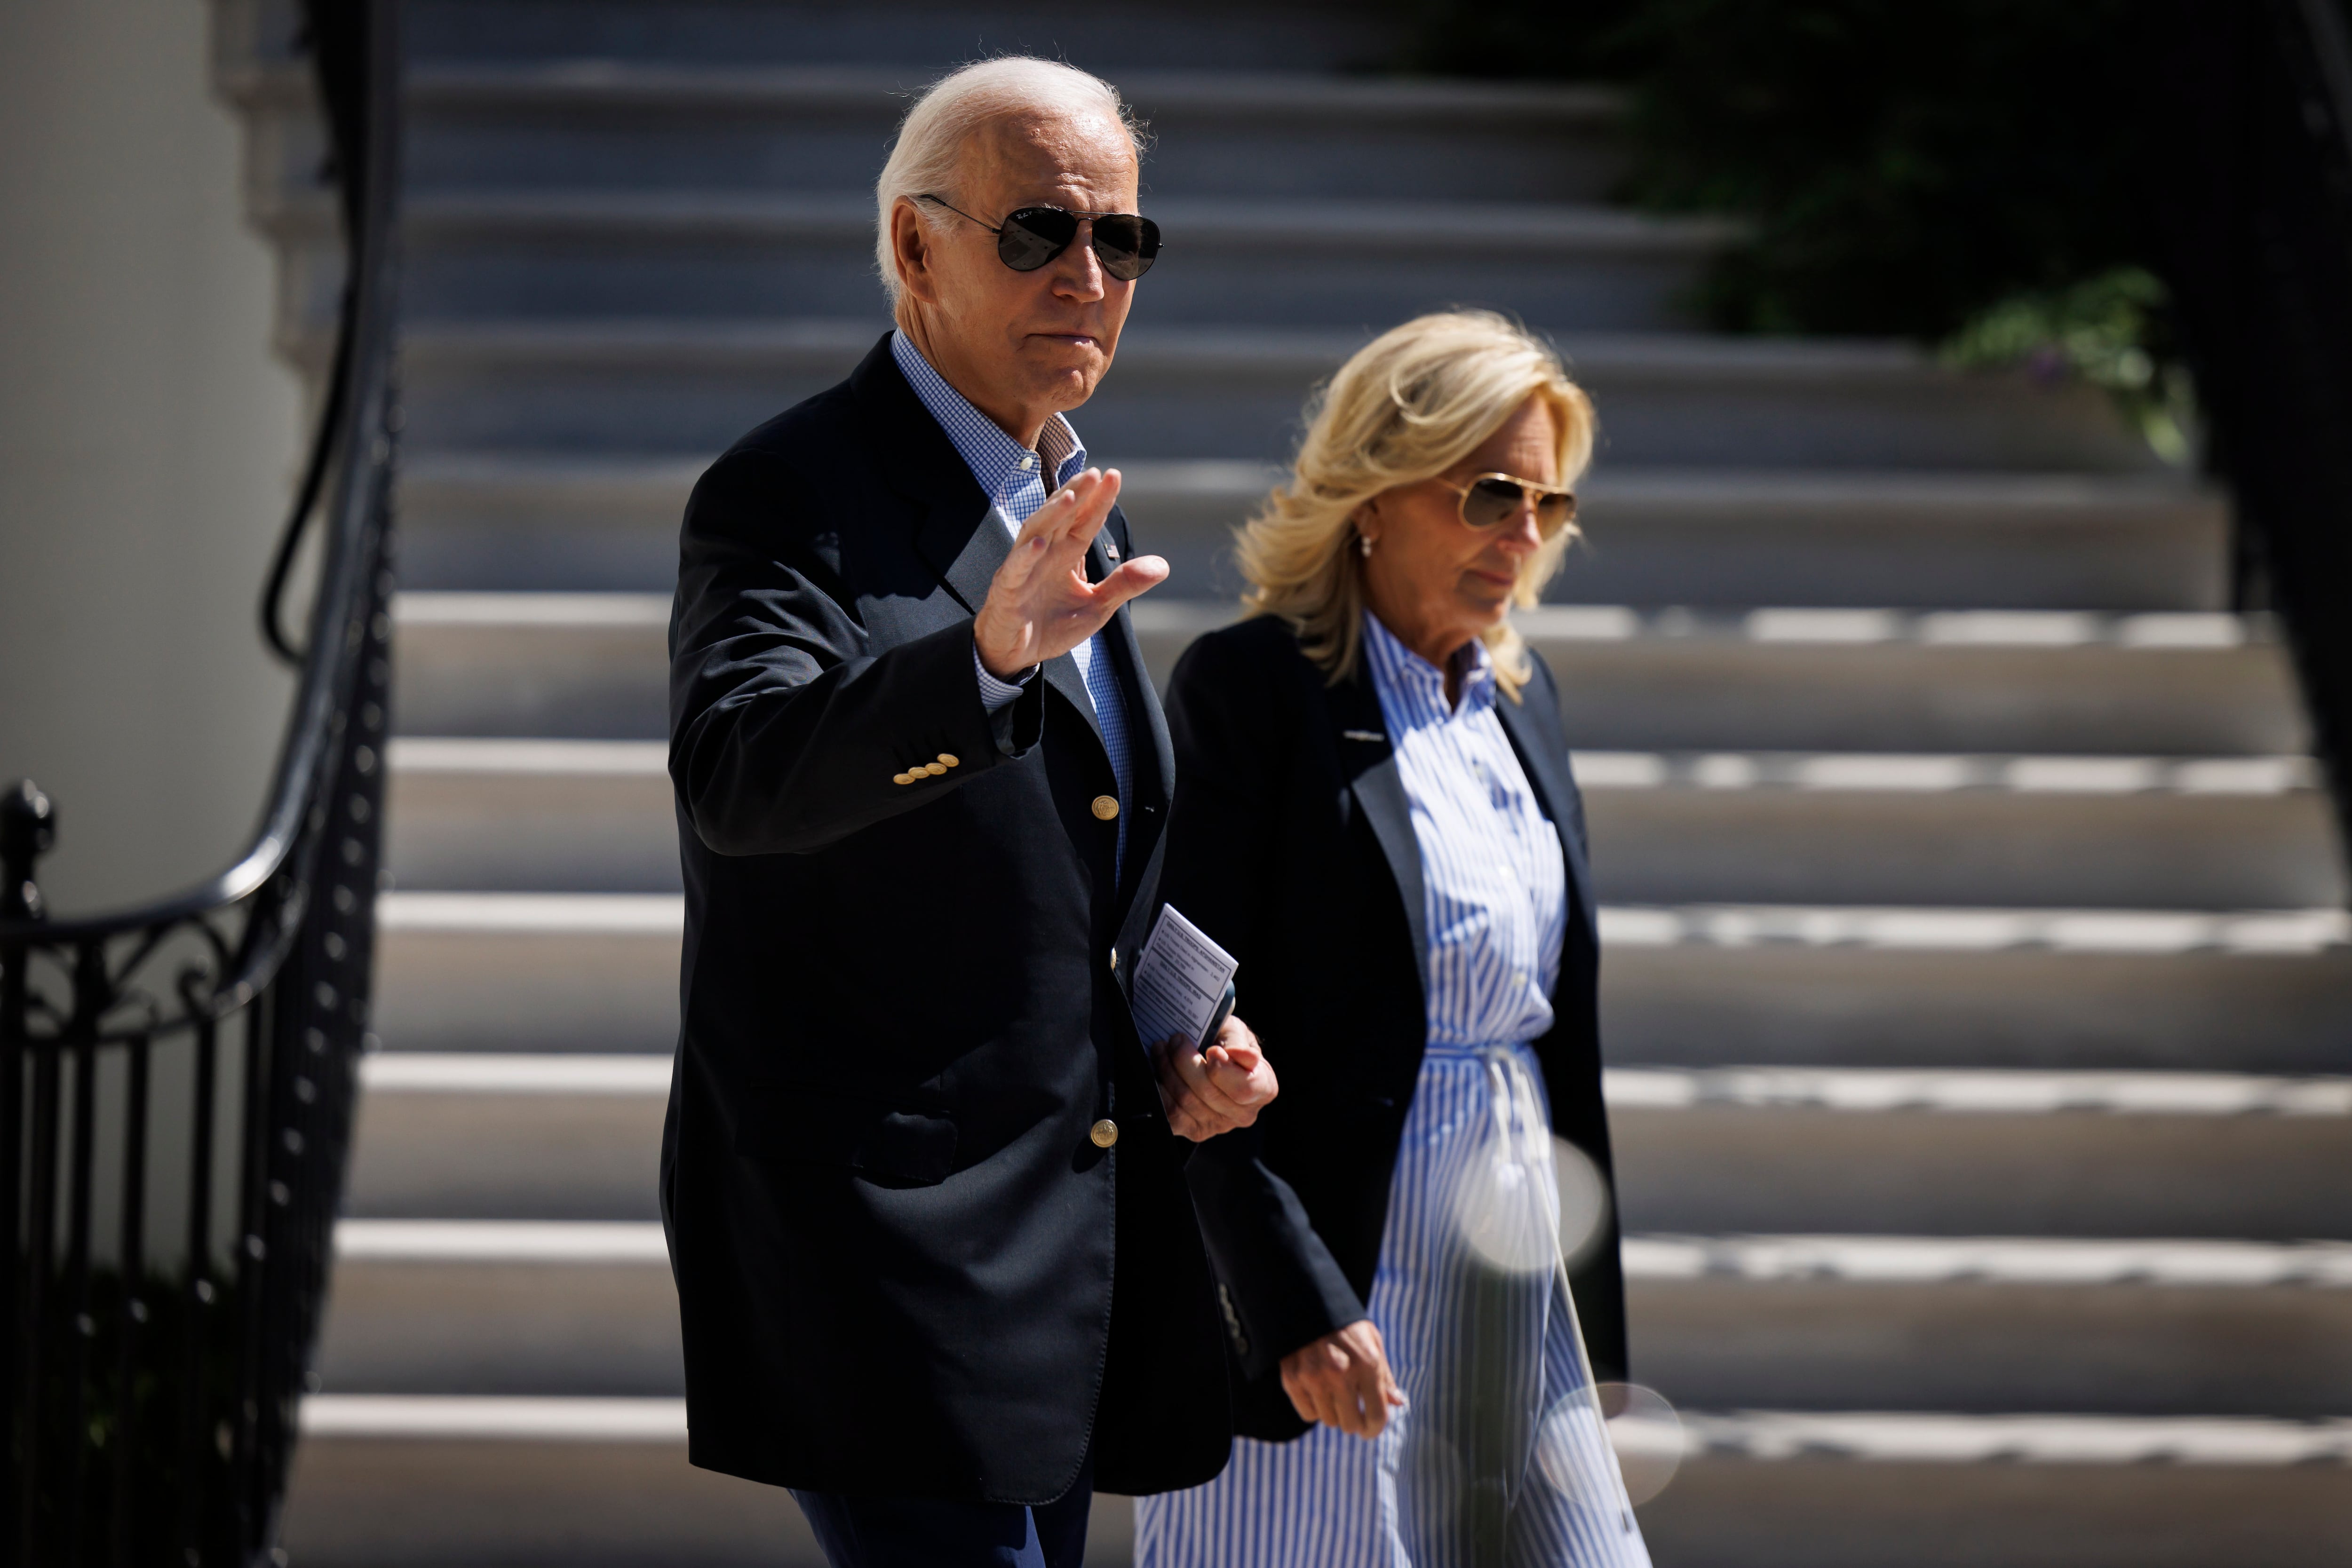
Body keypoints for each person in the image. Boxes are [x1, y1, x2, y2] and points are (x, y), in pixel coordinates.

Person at [661, 57, 1278, 1568]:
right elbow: (741, 777)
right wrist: (985, 657)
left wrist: (1172, 1037)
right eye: (1039, 233)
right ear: (915, 245)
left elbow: (1068, 854)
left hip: (1056, 1254)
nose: (1089, 275)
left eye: (1120, 241)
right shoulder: (786, 495)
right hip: (882, 1252)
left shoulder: (1068, 492)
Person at [1135, 311, 1652, 1567]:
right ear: (1373, 495)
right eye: (1489, 494)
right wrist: (1290, 1302)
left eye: (1549, 506)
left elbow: (1558, 1049)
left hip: (1518, 1271)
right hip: (1340, 1278)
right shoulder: (1256, 689)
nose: (1523, 537)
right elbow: (1180, 1026)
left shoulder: (1523, 707)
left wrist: (1602, 1338)